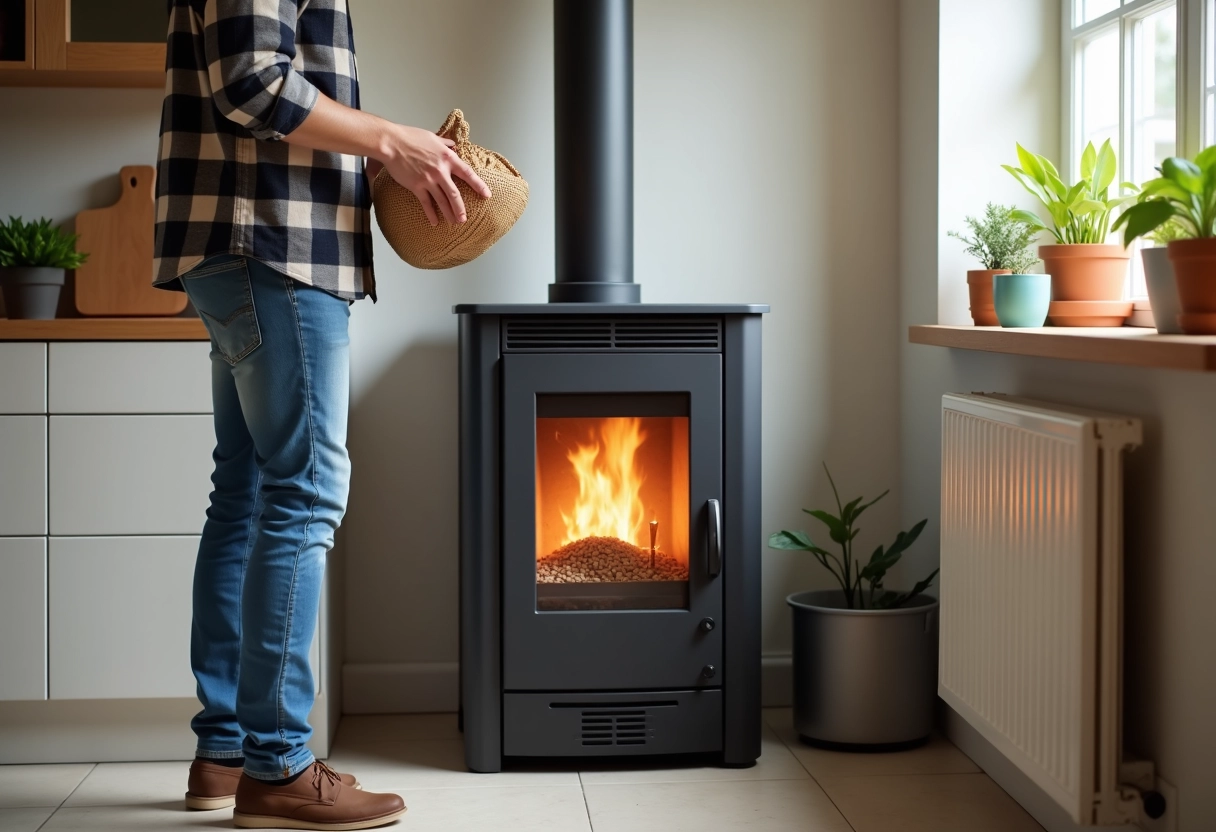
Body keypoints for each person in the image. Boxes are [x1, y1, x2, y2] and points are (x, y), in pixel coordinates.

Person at [154, 2, 489, 829]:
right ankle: (278, 766)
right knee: (303, 493)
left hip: (248, 245)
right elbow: (253, 84)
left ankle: (228, 751)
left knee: (245, 493)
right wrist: (392, 140)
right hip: (275, 245)